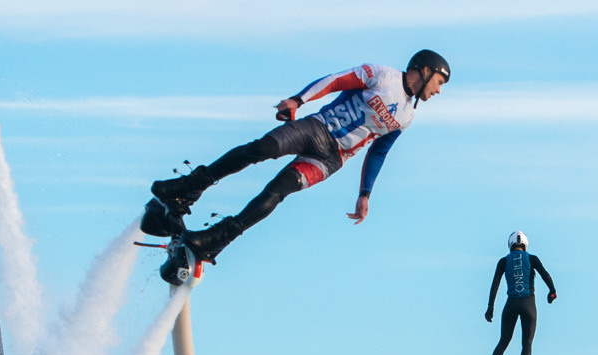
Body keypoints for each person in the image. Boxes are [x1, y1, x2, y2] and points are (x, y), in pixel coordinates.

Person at [144, 51, 451, 272]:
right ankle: (190, 187)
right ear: (424, 70)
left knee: (278, 190)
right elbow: (334, 82)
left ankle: (219, 239)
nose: (438, 91)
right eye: (439, 81)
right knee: (260, 148)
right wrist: (298, 100)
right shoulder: (381, 75)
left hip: (333, 158)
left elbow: (379, 151)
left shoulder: (406, 116)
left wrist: (365, 193)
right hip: (316, 128)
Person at [482, 232, 557, 355]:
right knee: (527, 341)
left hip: (511, 304)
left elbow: (494, 284)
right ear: (525, 244)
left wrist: (490, 307)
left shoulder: (503, 261)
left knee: (504, 340)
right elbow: (545, 275)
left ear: (510, 245)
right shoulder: (532, 259)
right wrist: (552, 292)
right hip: (528, 304)